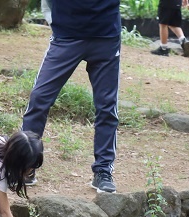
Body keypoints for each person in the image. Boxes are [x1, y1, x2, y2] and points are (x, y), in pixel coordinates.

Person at [22, 0, 121, 193]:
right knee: (39, 98)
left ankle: (103, 170)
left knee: (107, 107)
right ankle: (26, 163)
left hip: (106, 36)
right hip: (66, 35)